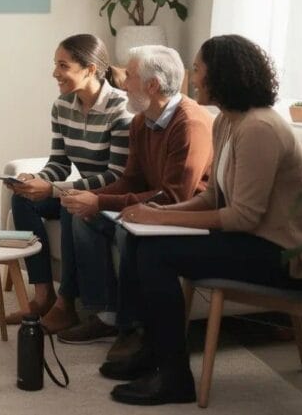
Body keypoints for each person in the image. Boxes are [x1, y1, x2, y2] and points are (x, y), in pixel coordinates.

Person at [105, 35, 302, 406]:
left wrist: (159, 221)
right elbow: (211, 197)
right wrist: (159, 215)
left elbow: (242, 216)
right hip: (256, 239)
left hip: (283, 256)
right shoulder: (225, 122)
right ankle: (155, 351)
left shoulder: (259, 128)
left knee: (156, 254)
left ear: (222, 75)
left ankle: (174, 377)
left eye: (199, 69)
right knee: (140, 238)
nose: (193, 77)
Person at [55, 46, 212, 360]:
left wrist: (101, 201)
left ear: (152, 86)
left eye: (130, 75)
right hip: (150, 206)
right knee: (81, 216)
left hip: (182, 215)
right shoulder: (142, 120)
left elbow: (175, 196)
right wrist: (95, 201)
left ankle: (132, 326)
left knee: (129, 232)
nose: (122, 82)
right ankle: (106, 316)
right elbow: (132, 180)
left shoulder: (189, 124)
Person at [7, 34, 132, 331]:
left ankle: (67, 304)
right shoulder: (62, 106)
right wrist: (37, 180)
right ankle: (43, 294)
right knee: (22, 198)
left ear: (89, 69)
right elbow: (60, 163)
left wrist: (54, 190)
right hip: (81, 187)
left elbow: (117, 175)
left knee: (69, 205)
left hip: (109, 193)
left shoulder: (120, 109)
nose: (55, 73)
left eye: (63, 65)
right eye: (55, 65)